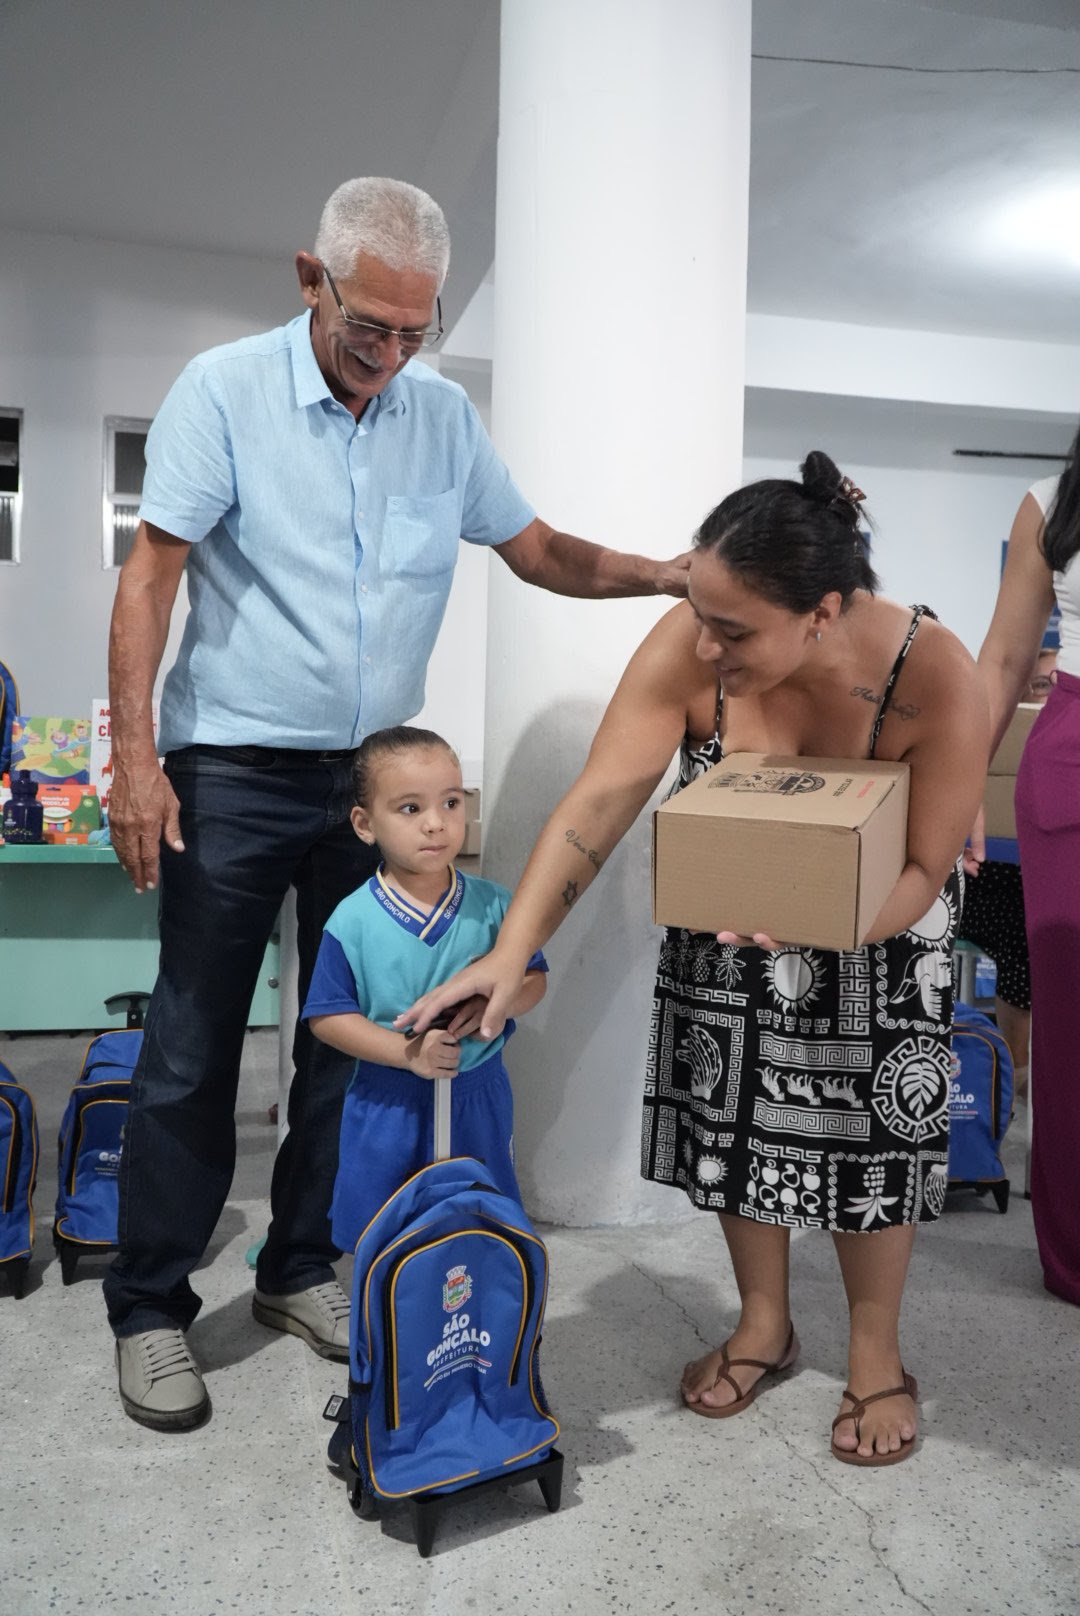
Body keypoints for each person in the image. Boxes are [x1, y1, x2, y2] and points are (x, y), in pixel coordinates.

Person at [105, 175, 690, 1431]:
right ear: (309, 278)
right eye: (369, 325)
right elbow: (149, 578)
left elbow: (535, 549)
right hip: (233, 771)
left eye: (416, 332)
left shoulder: (439, 418)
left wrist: (660, 572)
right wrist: (135, 762)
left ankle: (296, 1267)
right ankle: (151, 1303)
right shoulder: (226, 390)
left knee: (353, 1034)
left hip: (367, 782)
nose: (390, 354)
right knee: (196, 1039)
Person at [401, 453, 988, 1465]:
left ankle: (875, 1352)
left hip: (884, 931)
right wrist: (512, 950)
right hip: (726, 924)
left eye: (734, 629)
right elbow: (596, 801)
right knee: (726, 1123)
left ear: (823, 611)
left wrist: (828, 918)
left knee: (870, 1139)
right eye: (700, 614)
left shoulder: (930, 672)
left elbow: (930, 862)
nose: (705, 643)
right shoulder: (691, 641)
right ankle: (764, 1322)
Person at [303, 726, 546, 1250]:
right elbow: (327, 1016)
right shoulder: (353, 920)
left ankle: (471, 1323)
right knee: (387, 1230)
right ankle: (393, 1322)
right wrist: (405, 1051)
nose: (437, 823)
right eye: (410, 808)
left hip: (477, 1094)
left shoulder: (496, 905)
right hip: (390, 1100)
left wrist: (500, 1001)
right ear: (365, 824)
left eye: (451, 802)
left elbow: (534, 979)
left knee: (481, 1223)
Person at [977, 437, 1080, 1306]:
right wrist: (959, 785)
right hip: (1073, 754)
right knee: (1070, 1023)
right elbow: (1003, 664)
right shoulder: (1053, 501)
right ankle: (1075, 1254)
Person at [959, 650, 1057, 1093]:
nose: (1048, 694)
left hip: (1044, 871)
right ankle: (1017, 1070)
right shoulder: (989, 734)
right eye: (1039, 684)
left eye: (1058, 684)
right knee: (1022, 935)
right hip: (991, 876)